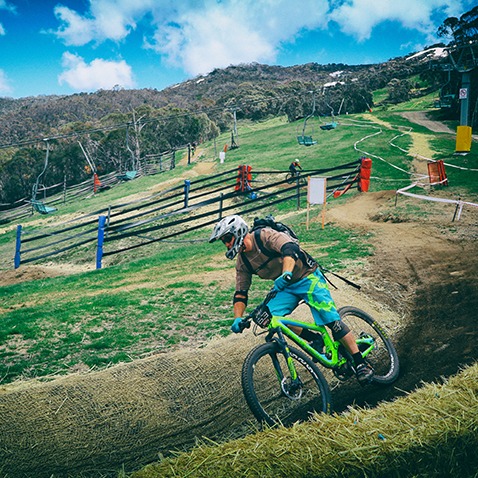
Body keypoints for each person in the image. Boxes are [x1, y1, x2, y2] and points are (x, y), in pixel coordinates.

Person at [209, 214, 374, 385]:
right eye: (224, 242)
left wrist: (286, 272)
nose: (227, 244)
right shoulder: (243, 262)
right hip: (285, 287)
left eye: (228, 238)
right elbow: (241, 293)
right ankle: (313, 338)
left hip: (307, 277)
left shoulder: (264, 235)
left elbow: (290, 248)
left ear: (239, 231)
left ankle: (361, 362)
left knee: (330, 320)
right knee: (267, 318)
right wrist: (237, 317)